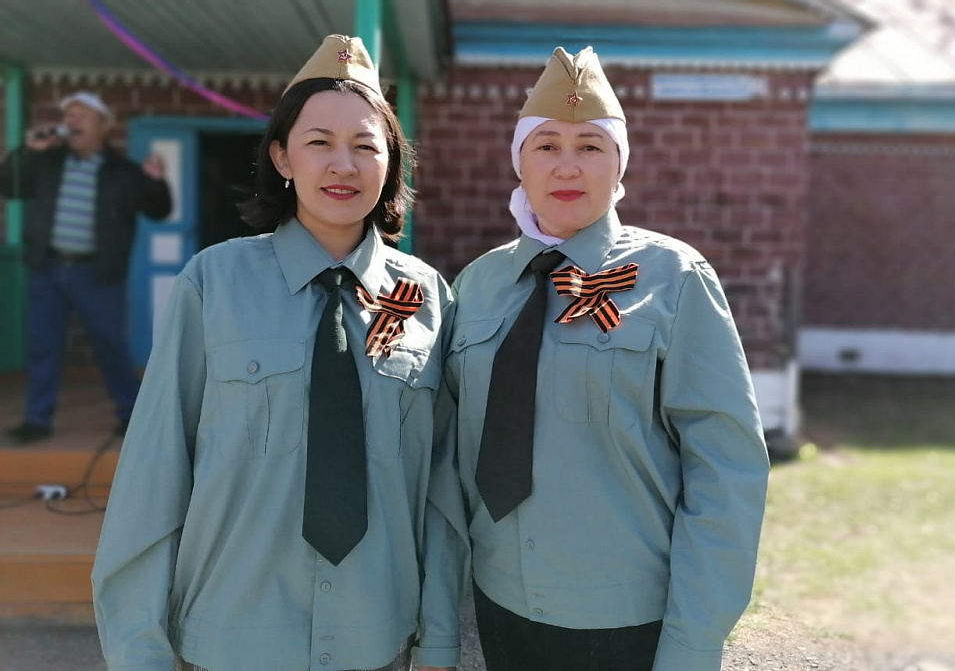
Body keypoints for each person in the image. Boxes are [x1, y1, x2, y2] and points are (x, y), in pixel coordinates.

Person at [92, 36, 460, 671]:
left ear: (391, 164)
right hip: (231, 635)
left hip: (375, 638)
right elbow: (154, 472)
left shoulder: (426, 298)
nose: (343, 165)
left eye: (366, 145)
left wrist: (440, 640)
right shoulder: (214, 282)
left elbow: (442, 489)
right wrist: (139, 653)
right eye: (319, 142)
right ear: (282, 156)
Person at [436, 46, 771, 671]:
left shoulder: (675, 278)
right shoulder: (477, 286)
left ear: (619, 164)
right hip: (500, 606)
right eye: (546, 145)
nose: (568, 166)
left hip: (627, 622)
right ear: (519, 162)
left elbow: (726, 469)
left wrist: (694, 645)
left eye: (590, 146)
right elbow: (449, 457)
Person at [0, 91, 172, 443]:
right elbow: (10, 187)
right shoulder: (47, 162)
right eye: (69, 115)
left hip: (97, 273)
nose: (72, 121)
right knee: (43, 346)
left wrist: (156, 182)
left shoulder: (123, 172)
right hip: (47, 268)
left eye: (82, 115)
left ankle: (131, 415)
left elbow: (158, 210)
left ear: (104, 126)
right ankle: (37, 420)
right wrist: (28, 151)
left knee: (110, 345)